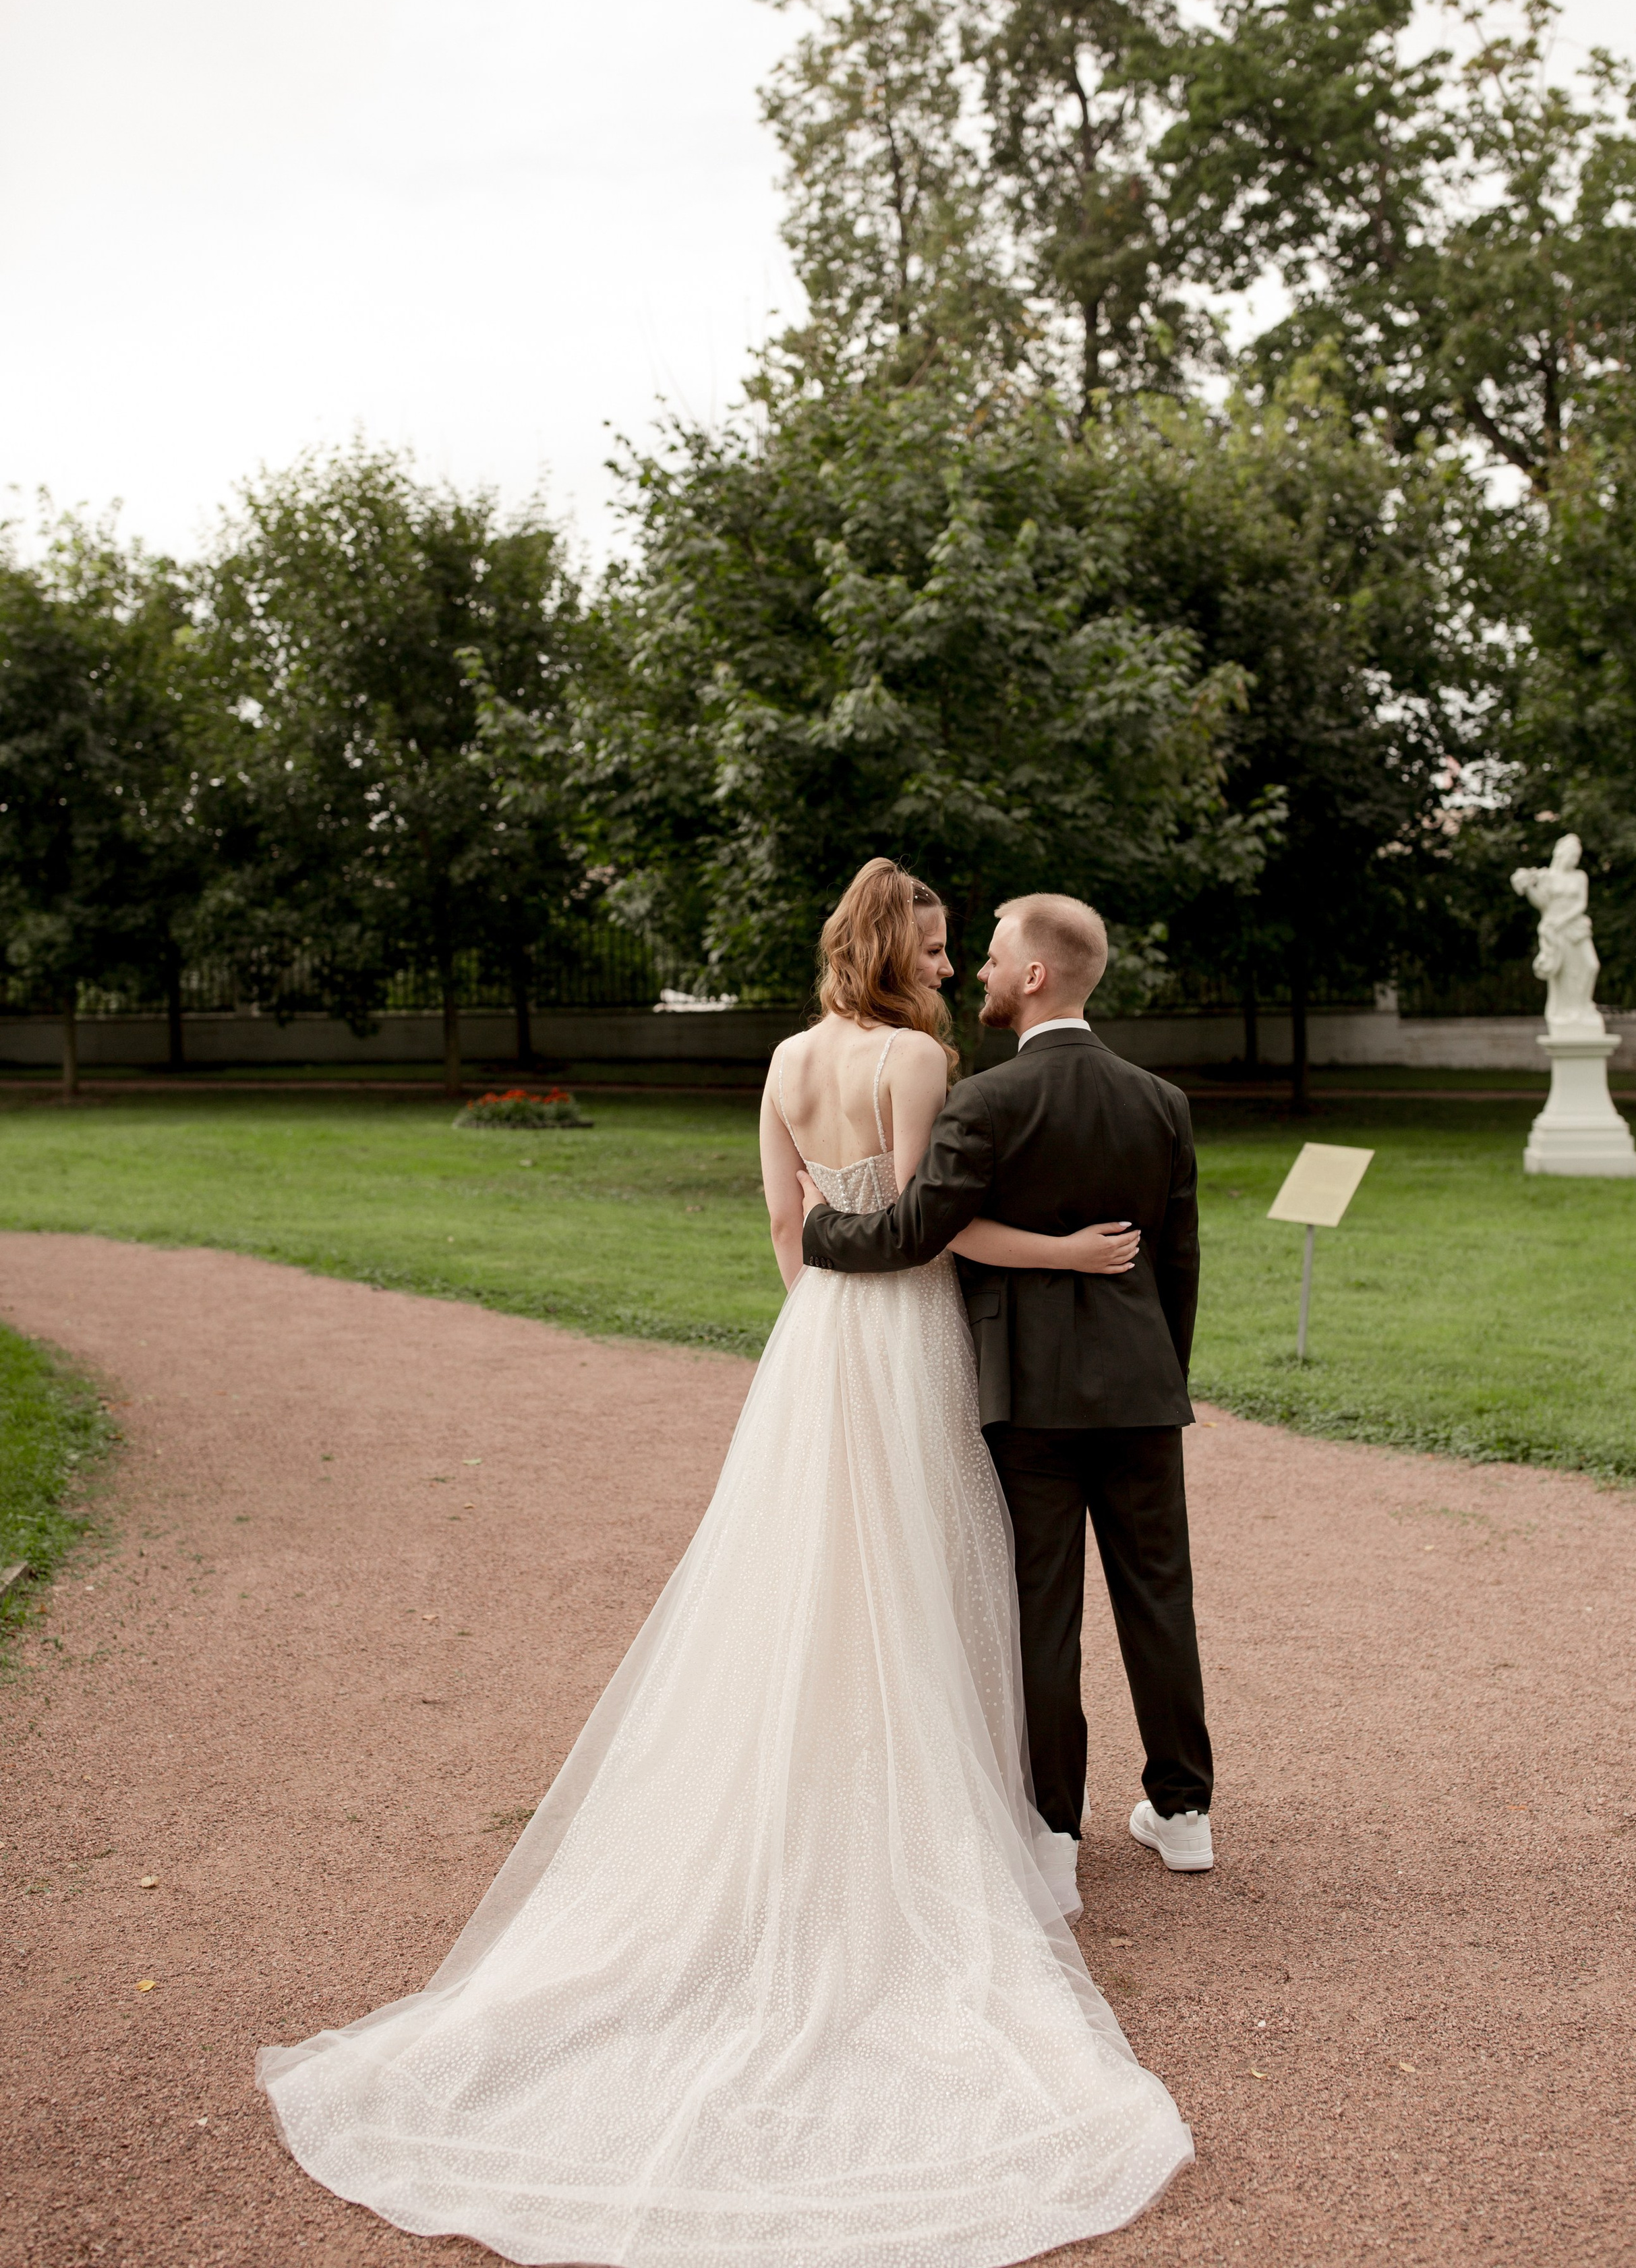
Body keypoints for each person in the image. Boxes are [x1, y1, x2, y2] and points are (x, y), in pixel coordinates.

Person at [258, 858, 1192, 2268]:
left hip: (813, 1342)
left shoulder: (784, 1061)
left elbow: (788, 1233)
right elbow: (929, 1232)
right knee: (924, 1576)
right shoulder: (915, 1062)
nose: (951, 968)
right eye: (938, 947)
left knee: (806, 1577)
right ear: (897, 954)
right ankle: (961, 1810)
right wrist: (1062, 1257)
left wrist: (822, 1332)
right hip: (908, 1335)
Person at [800, 890, 1215, 1878]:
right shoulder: (1160, 1102)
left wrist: (821, 1226)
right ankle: (1185, 1812)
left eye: (991, 957)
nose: (977, 972)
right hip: (1142, 1393)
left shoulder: (985, 1101)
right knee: (1160, 1598)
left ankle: (1053, 1835)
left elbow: (914, 1232)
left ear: (1034, 976)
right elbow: (1178, 1267)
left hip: (1028, 1396)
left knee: (1043, 1614)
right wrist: (1159, 1375)